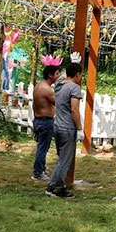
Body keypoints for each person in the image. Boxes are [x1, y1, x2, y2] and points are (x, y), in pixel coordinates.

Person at [46, 62, 83, 199]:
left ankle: (53, 186)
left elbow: (61, 77)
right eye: (81, 74)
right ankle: (57, 188)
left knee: (61, 159)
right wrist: (79, 128)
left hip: (57, 126)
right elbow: (74, 109)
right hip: (68, 128)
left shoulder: (59, 86)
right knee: (65, 160)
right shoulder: (75, 88)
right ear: (77, 74)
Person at [31, 65, 61, 181]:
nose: (58, 76)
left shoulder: (39, 85)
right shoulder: (47, 89)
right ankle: (38, 172)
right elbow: (58, 102)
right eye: (57, 74)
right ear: (50, 75)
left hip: (38, 120)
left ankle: (41, 169)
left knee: (41, 147)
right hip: (45, 121)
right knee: (43, 148)